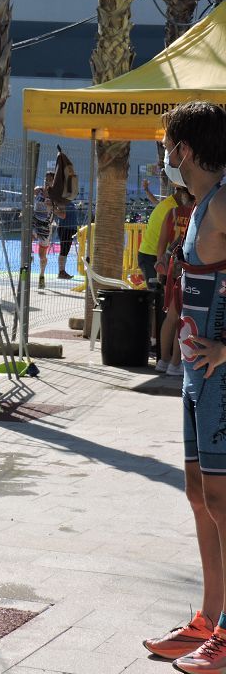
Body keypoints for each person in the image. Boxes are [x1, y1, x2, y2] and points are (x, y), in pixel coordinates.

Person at [141, 101, 226, 673]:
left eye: (168, 146)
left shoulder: (223, 203)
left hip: (220, 376)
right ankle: (209, 617)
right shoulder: (199, 205)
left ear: (185, 150)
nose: (165, 155)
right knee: (199, 496)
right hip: (198, 378)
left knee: (222, 499)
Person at [154, 187, 194, 377]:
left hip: (171, 268)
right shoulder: (199, 213)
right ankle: (176, 363)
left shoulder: (173, 213)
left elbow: (161, 244)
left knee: (171, 315)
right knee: (182, 316)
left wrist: (161, 267)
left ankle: (163, 360)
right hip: (190, 269)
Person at [137, 174, 178, 289]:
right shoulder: (173, 207)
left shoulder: (169, 204)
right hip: (150, 255)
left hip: (153, 254)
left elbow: (154, 201)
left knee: (160, 292)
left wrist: (146, 189)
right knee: (156, 292)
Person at [31, 171, 62, 290]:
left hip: (46, 227)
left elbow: (62, 214)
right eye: (46, 179)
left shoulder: (55, 196)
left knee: (42, 255)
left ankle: (42, 275)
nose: (47, 181)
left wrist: (53, 207)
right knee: (29, 236)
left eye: (50, 180)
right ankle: (29, 255)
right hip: (34, 222)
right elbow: (29, 194)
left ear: (54, 182)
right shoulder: (38, 191)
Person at [56, 199, 80, 279]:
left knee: (65, 251)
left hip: (71, 229)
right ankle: (61, 272)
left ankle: (62, 271)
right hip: (65, 229)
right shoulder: (61, 201)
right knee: (64, 251)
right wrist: (53, 210)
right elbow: (62, 215)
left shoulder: (68, 201)